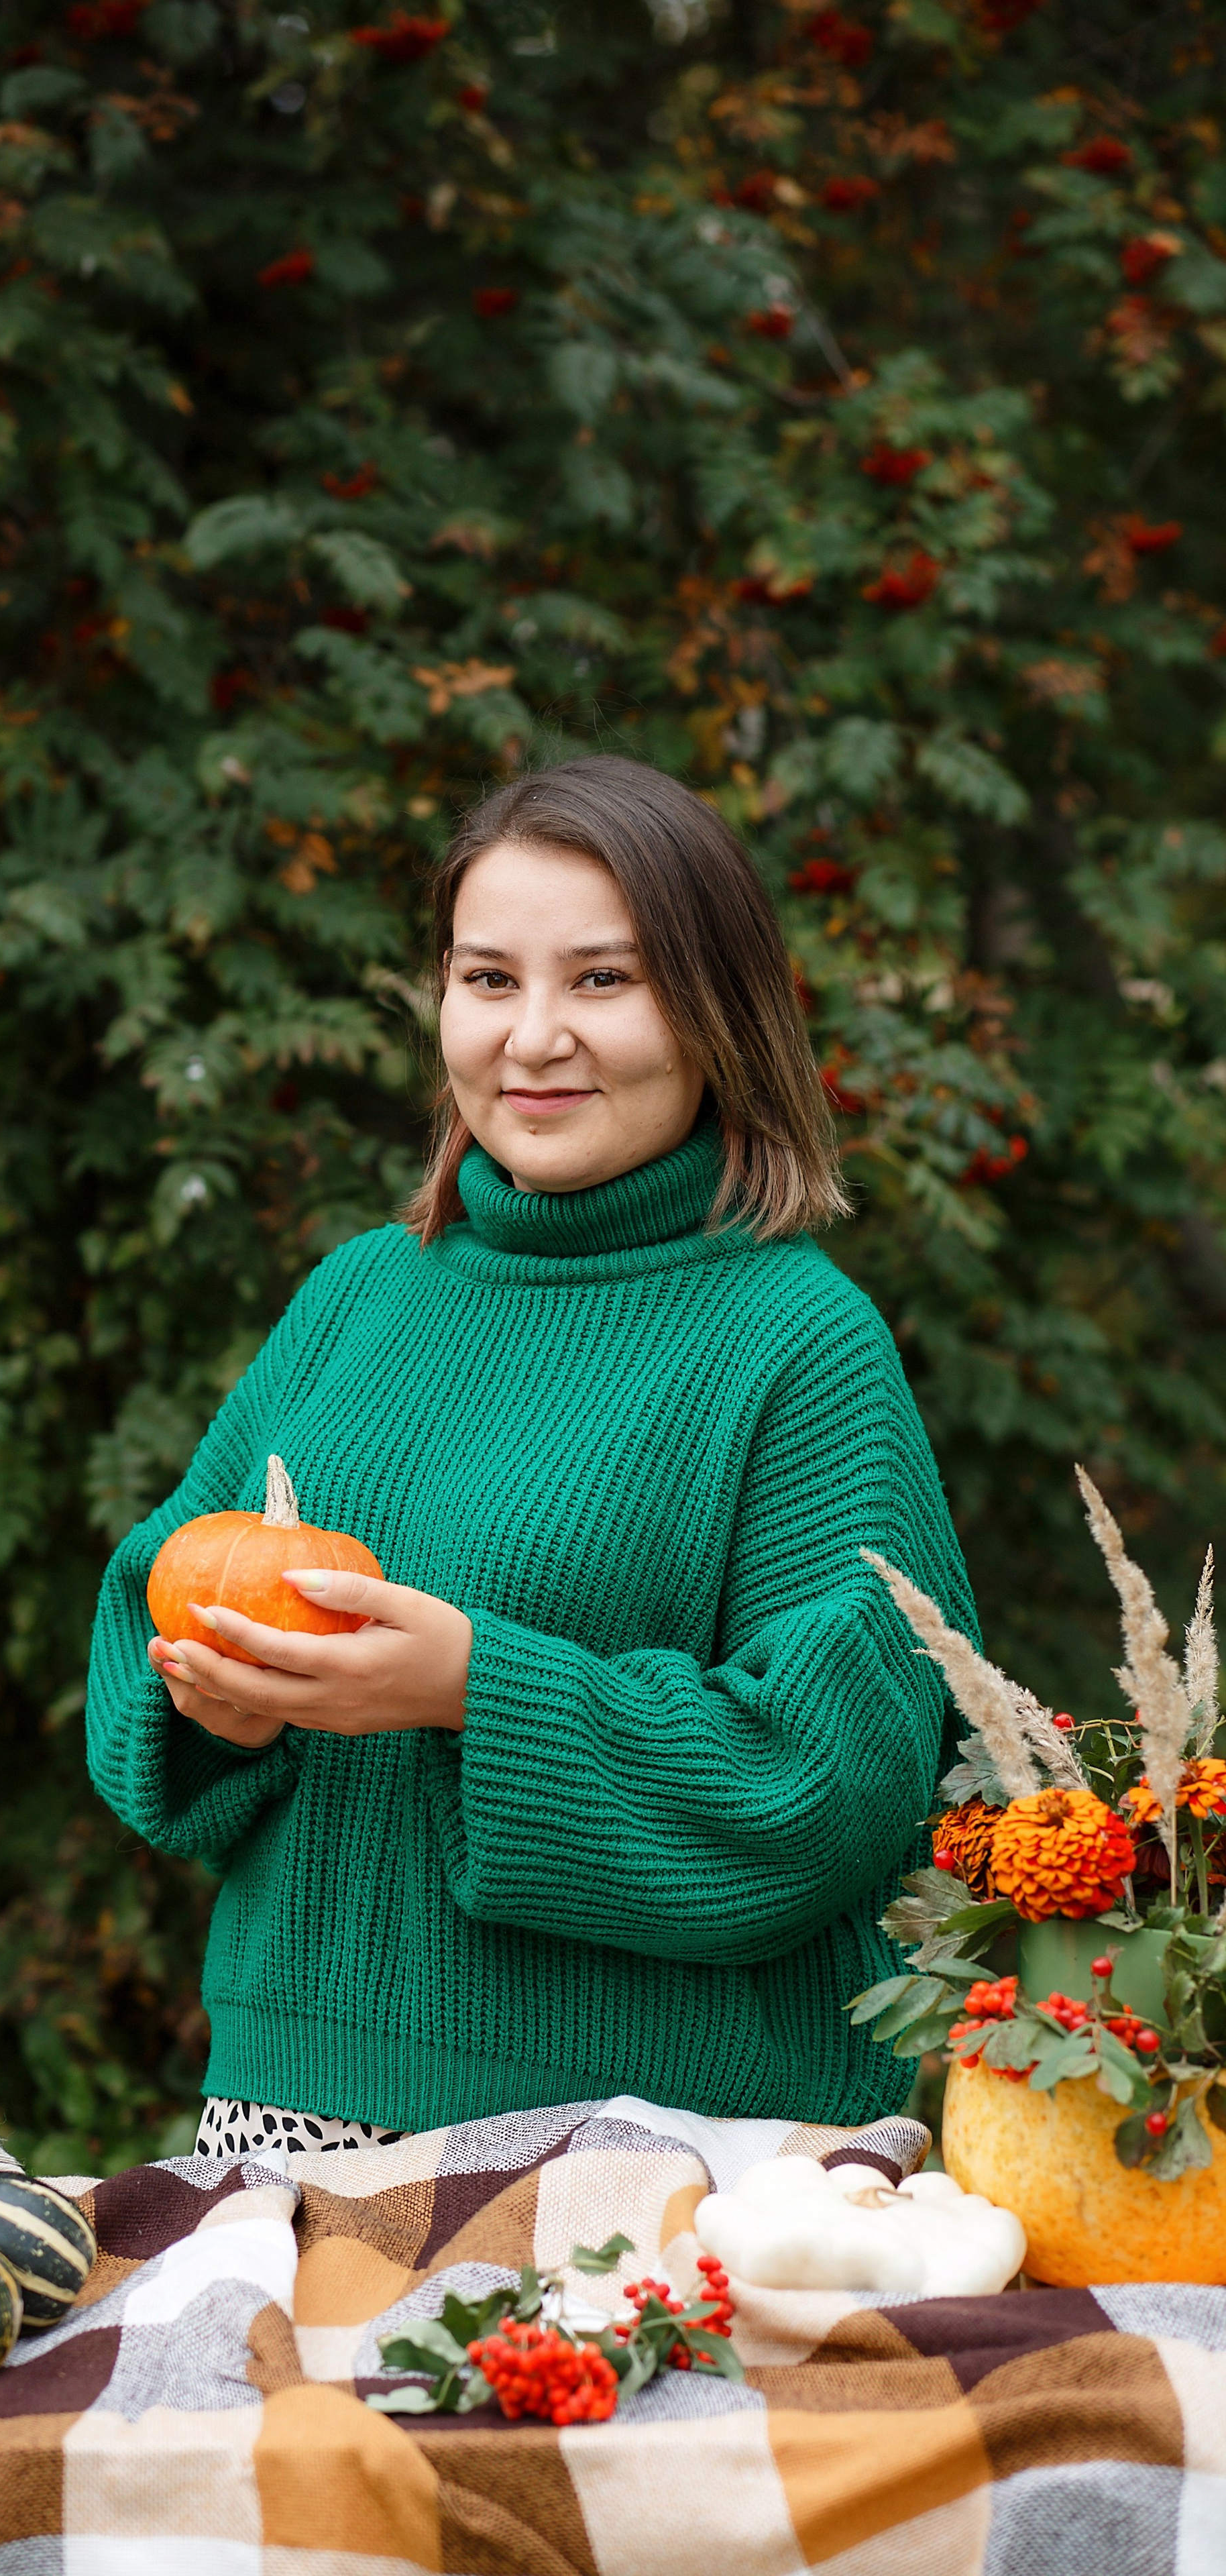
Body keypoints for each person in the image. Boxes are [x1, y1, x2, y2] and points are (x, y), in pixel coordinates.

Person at [86, 754, 974, 2159]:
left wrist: (469, 1692)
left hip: (666, 2147)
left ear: (716, 1011)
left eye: (603, 982)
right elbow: (157, 1593)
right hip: (298, 2118)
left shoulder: (796, 1341)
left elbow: (829, 1779)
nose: (532, 1036)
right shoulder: (363, 1294)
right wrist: (222, 1709)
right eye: (487, 979)